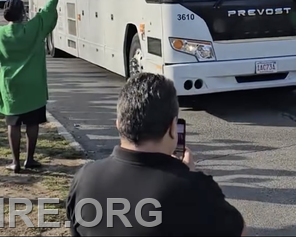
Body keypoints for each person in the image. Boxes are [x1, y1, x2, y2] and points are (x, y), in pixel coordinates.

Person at [66, 73, 246, 236]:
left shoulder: (85, 178)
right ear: (173, 128)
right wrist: (187, 177)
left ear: (119, 124)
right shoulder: (196, 189)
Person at [0, 0, 61, 173]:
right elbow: (47, 14)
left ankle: (15, 161)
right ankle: (29, 158)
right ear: (23, 14)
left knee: (13, 123)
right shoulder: (33, 28)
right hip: (33, 84)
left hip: (11, 85)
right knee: (32, 122)